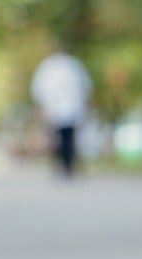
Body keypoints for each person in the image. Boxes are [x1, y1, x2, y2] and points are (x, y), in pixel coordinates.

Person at [31, 49, 92, 178]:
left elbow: (39, 89)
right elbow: (86, 86)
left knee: (60, 140)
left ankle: (65, 166)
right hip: (67, 109)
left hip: (59, 109)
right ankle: (66, 166)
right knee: (67, 139)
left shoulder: (48, 67)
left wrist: (42, 106)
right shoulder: (74, 66)